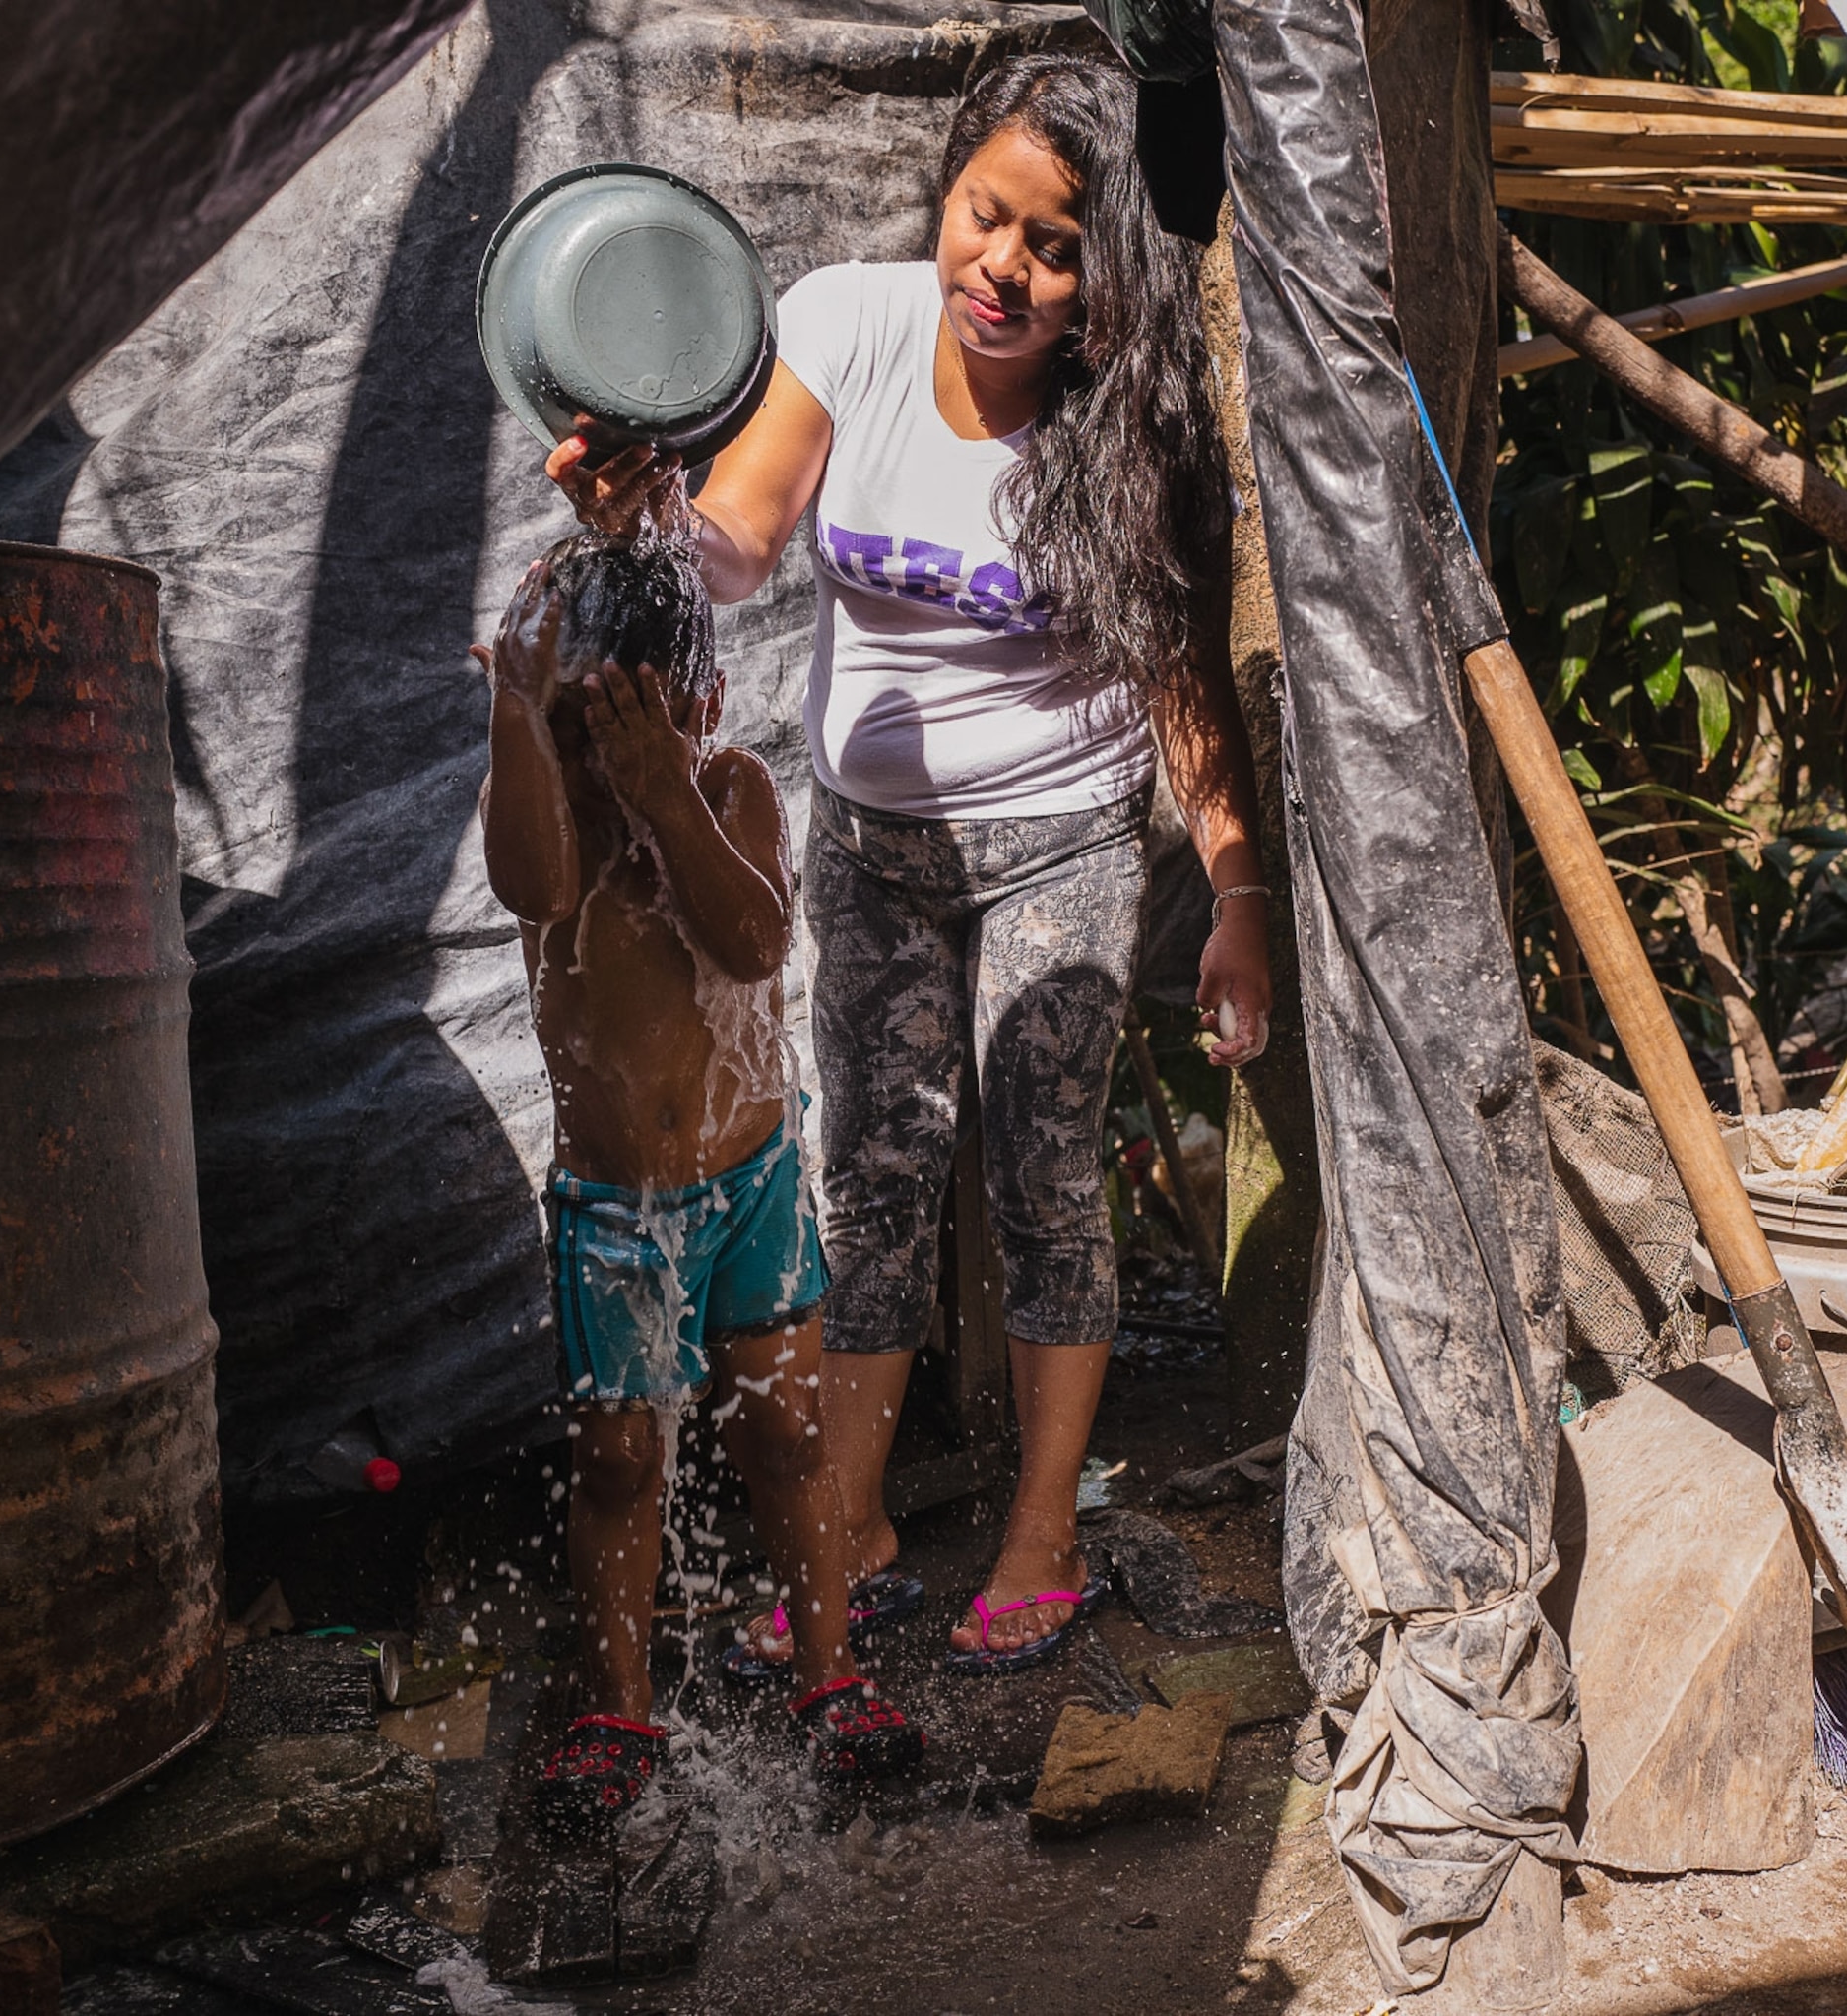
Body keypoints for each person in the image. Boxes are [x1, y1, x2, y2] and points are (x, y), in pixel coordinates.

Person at [551, 51, 1271, 1676]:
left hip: (1064, 837)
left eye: (1052, 244)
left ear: (1107, 273)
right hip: (872, 841)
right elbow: (740, 529)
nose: (999, 269)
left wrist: (1236, 894)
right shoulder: (847, 324)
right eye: (982, 216)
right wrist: (651, 523)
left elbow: (1179, 686)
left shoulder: (1124, 424)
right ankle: (851, 1527)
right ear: (946, 196)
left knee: (1040, 1174)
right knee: (869, 1181)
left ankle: (1040, 1531)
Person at [473, 539, 923, 1804]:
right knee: (620, 1463)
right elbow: (529, 881)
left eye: (635, 724)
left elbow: (754, 941)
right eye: (578, 722)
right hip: (618, 1211)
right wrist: (518, 723)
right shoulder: (552, 807)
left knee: (787, 1437)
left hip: (752, 1187)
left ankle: (829, 1668)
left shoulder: (728, 791)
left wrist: (666, 789)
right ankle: (621, 1708)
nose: (602, 755)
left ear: (702, 709)